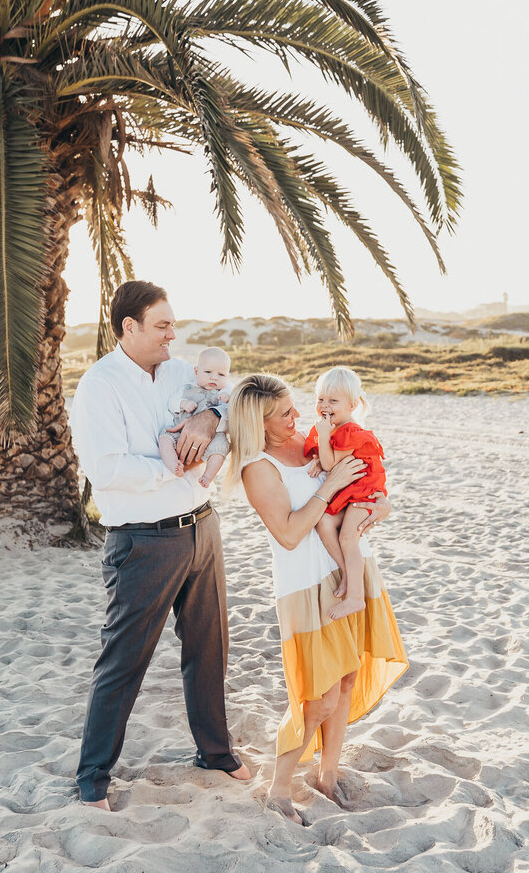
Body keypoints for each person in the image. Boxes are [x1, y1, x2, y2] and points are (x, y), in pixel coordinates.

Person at [69, 281, 250, 810]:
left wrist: (209, 416)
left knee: (210, 648)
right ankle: (93, 777)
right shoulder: (99, 386)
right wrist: (177, 470)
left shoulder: (177, 371)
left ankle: (215, 752)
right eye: (163, 325)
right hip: (142, 544)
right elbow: (105, 469)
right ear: (130, 327)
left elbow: (232, 394)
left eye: (173, 323)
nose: (174, 334)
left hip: (202, 528)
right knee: (124, 661)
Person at [225, 373, 407, 824]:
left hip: (347, 572)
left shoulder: (310, 441)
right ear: (261, 423)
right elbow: (287, 533)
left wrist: (381, 505)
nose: (298, 416)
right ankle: (280, 789)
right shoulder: (258, 466)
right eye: (286, 413)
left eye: (294, 407)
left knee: (346, 681)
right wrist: (329, 486)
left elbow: (360, 488)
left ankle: (327, 775)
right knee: (317, 696)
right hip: (305, 586)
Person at [303, 366, 387, 621]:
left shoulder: (349, 431)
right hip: (352, 492)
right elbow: (327, 459)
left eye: (333, 400)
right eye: (321, 399)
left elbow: (331, 464)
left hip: (365, 491)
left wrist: (324, 443)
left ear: (352, 405)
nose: (325, 405)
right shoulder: (334, 429)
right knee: (324, 522)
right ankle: (348, 575)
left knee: (349, 538)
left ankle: (355, 598)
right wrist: (320, 454)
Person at [158, 346, 232, 487]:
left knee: (221, 447)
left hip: (213, 437)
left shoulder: (225, 392)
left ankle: (208, 476)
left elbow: (234, 411)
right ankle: (174, 464)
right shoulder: (187, 387)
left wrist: (227, 400)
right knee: (165, 437)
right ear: (197, 371)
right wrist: (183, 403)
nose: (214, 377)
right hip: (179, 431)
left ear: (227, 377)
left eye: (221, 375)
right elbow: (171, 402)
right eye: (208, 372)